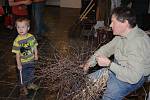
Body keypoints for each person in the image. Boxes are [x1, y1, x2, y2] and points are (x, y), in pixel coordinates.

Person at [81, 7, 150, 100]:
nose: (110, 25)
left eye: (113, 22)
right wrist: (89, 63)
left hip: (134, 77)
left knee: (109, 96)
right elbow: (105, 49)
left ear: (125, 23)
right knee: (87, 82)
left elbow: (133, 76)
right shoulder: (122, 36)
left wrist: (109, 64)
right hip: (118, 69)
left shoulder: (137, 42)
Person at [12, 17, 39, 94]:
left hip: (31, 59)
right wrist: (19, 64)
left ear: (28, 28)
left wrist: (36, 54)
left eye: (23, 27)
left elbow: (34, 46)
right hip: (23, 61)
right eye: (18, 27)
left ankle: (30, 84)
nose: (20, 29)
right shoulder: (17, 41)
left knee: (31, 72)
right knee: (23, 74)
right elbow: (17, 55)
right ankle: (23, 86)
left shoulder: (31, 37)